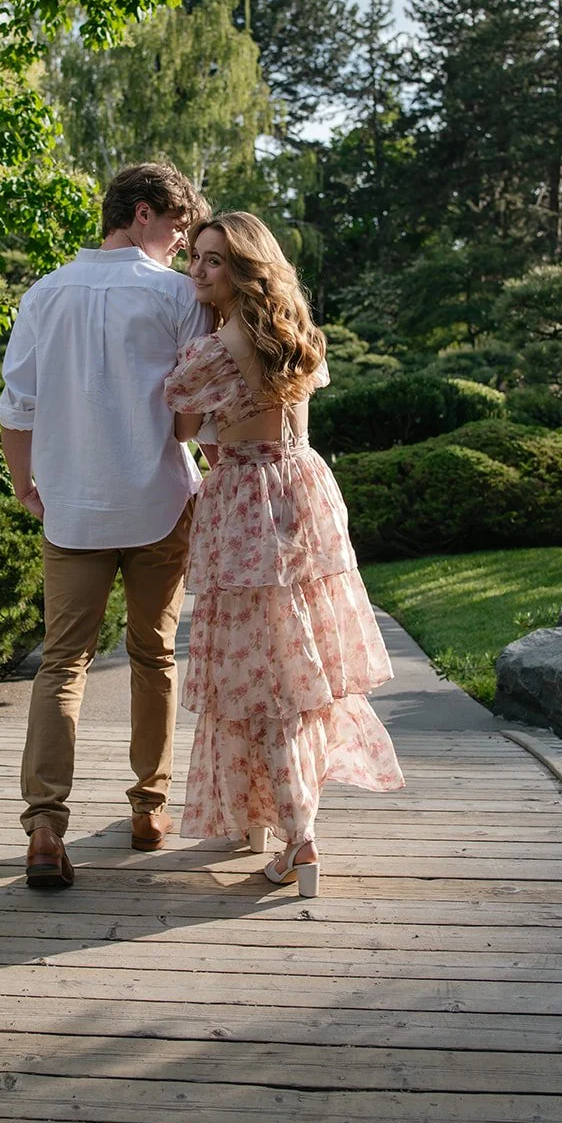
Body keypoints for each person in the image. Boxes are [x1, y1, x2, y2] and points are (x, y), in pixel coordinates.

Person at [163, 212, 404, 897]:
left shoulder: (209, 352)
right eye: (197, 258)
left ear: (243, 270)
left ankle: (299, 838)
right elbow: (294, 420)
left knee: (264, 678)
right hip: (303, 485)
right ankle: (283, 826)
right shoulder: (295, 333)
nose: (197, 272)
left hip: (243, 498)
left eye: (212, 262)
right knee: (299, 666)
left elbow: (182, 425)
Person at [0, 161, 214, 889]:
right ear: (145, 212)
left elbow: (16, 406)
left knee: (63, 663)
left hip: (73, 509)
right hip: (158, 501)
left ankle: (44, 827)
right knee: (153, 655)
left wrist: (27, 486)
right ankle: (148, 807)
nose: (183, 243)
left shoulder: (44, 293)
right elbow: (186, 420)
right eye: (179, 225)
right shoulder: (178, 294)